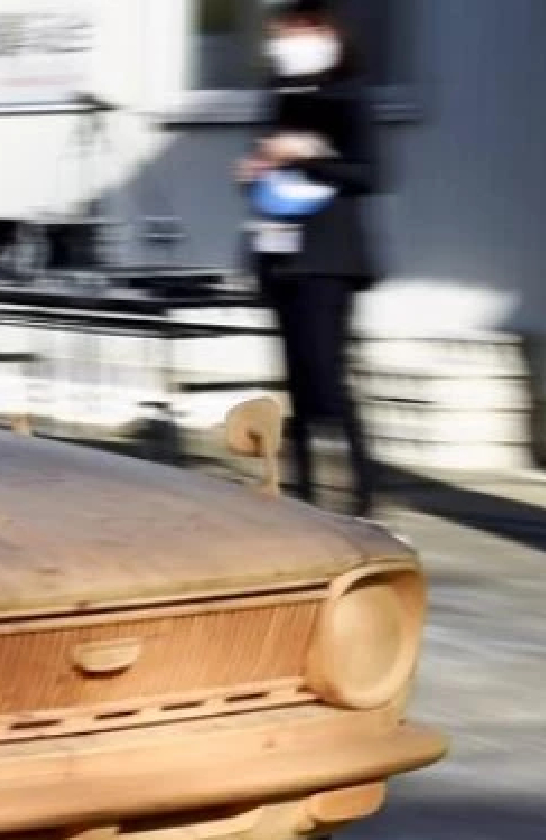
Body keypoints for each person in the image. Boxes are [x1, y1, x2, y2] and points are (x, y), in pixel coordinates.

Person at [237, 0, 382, 517]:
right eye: (279, 35)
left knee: (327, 375)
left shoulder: (349, 95)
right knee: (295, 377)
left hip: (329, 256)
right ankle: (302, 494)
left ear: (325, 32)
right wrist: (255, 169)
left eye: (295, 31)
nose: (284, 43)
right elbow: (271, 165)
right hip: (280, 251)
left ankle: (363, 492)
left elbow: (369, 175)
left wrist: (309, 153)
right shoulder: (280, 94)